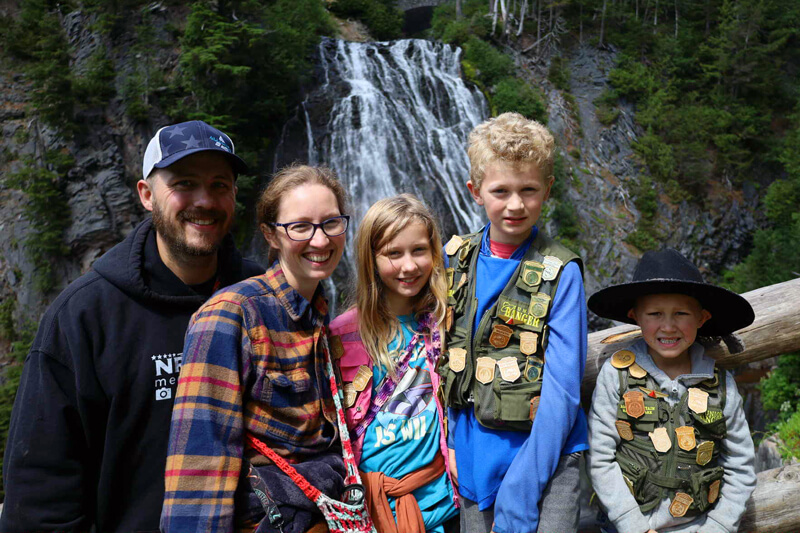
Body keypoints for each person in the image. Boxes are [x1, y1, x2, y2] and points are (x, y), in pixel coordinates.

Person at [1, 120, 263, 533]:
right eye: (184, 183)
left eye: (220, 185)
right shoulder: (83, 317)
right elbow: (40, 492)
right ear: (146, 195)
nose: (205, 200)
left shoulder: (261, 297)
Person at [161, 165, 351, 533]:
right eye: (300, 226)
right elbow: (198, 467)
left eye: (331, 223)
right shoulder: (232, 315)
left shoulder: (321, 315)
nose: (320, 240)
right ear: (271, 235)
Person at [437, 112, 588, 533]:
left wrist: (523, 489)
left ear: (548, 189)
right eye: (501, 191)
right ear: (475, 192)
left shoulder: (561, 271)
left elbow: (561, 388)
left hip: (550, 460)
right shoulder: (453, 260)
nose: (516, 204)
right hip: (471, 462)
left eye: (529, 190)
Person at [586, 248, 757, 533]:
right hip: (627, 527)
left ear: (702, 318)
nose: (668, 326)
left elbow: (741, 465)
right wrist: (633, 525)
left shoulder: (721, 384)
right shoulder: (616, 375)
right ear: (635, 316)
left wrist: (718, 526)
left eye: (680, 313)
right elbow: (600, 457)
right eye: (654, 314)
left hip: (700, 527)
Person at [329, 194, 459, 533]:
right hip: (367, 510)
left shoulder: (447, 324)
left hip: (440, 505)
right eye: (393, 253)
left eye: (419, 250)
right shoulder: (341, 335)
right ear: (371, 259)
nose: (409, 266)